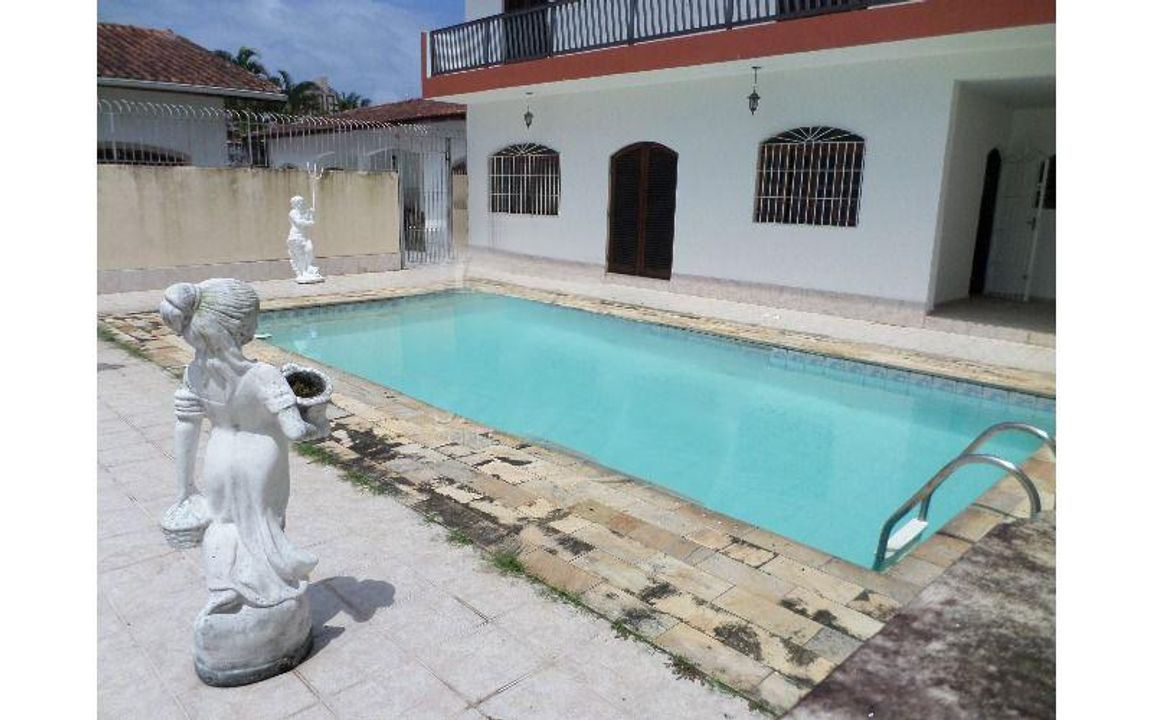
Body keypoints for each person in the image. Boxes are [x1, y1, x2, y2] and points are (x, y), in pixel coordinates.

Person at [158, 278, 325, 619]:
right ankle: (269, 592)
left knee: (222, 524)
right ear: (241, 326)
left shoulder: (193, 372)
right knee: (263, 525)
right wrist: (321, 424)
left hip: (218, 455)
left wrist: (184, 489)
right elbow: (295, 431)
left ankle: (223, 590)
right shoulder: (263, 375)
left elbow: (186, 429)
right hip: (260, 457)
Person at [286, 196, 323, 282]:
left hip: (305, 237)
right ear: (294, 204)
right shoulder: (293, 213)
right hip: (295, 237)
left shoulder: (308, 211)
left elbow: (312, 223)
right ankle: (303, 273)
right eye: (298, 202)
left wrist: (311, 215)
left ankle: (310, 270)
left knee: (310, 251)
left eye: (302, 201)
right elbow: (299, 223)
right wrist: (309, 220)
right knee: (300, 256)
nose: (301, 203)